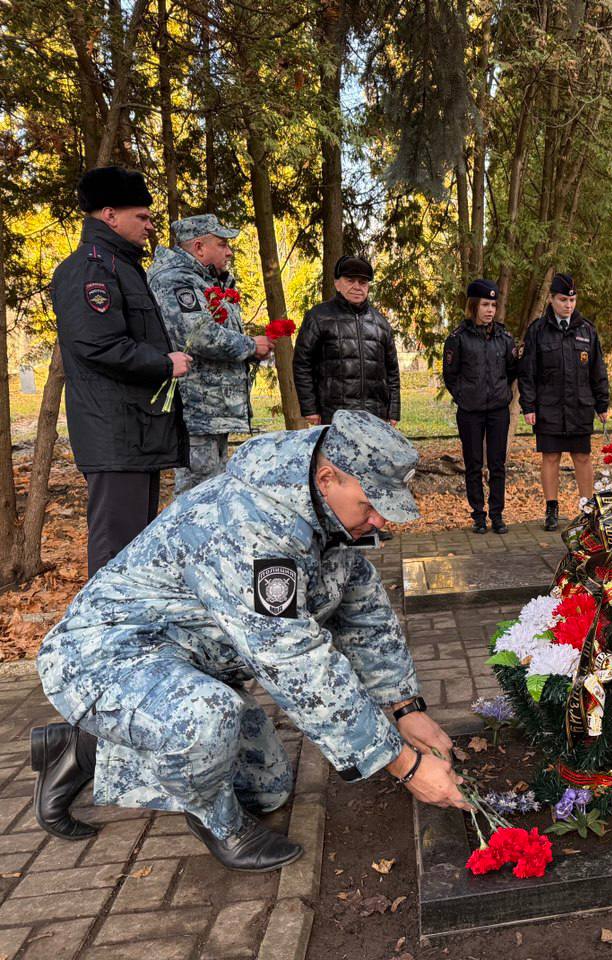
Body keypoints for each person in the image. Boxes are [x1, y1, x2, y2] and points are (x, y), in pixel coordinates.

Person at [31, 411, 467, 872]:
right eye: (370, 504)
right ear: (326, 477)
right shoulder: (250, 527)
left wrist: (407, 709)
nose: (379, 520)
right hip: (106, 656)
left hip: (185, 660)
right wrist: (406, 766)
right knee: (205, 722)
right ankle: (220, 826)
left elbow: (362, 609)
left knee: (268, 787)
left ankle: (82, 747)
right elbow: (294, 658)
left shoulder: (326, 510)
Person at [52, 166, 190, 575]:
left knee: (135, 552)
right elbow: (98, 344)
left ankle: (131, 633)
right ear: (109, 215)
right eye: (142, 217)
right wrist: (164, 364)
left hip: (135, 433)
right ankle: (104, 635)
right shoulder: (91, 268)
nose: (150, 226)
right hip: (114, 435)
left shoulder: (121, 266)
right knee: (116, 555)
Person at [149, 214, 273, 493]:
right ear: (199, 247)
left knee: (214, 490)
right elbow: (200, 336)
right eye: (222, 244)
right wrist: (251, 346)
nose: (229, 252)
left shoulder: (205, 281)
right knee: (198, 495)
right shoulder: (175, 280)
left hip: (212, 410)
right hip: (196, 410)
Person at [518, 273, 610, 531]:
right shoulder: (537, 330)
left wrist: (602, 404)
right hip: (549, 407)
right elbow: (528, 372)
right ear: (551, 299)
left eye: (572, 299)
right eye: (563, 300)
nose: (568, 305)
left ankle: (587, 508)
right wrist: (529, 406)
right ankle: (551, 510)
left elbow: (597, 370)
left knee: (582, 456)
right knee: (551, 457)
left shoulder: (586, 330)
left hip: (580, 406)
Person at [442, 279, 519, 534]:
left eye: (493, 305)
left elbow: (511, 371)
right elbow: (450, 375)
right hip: (470, 411)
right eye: (485, 304)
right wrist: (464, 396)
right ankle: (478, 515)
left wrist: (501, 394)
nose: (490, 310)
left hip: (498, 409)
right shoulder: (457, 338)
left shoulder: (504, 337)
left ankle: (497, 515)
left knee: (497, 464)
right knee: (473, 464)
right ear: (473, 305)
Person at [294, 255, 401, 427]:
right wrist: (310, 408)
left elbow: (392, 372)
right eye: (350, 280)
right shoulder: (318, 317)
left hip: (375, 415)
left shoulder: (380, 323)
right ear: (337, 283)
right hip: (333, 414)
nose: (357, 287)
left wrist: (393, 411)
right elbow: (302, 364)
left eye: (363, 282)